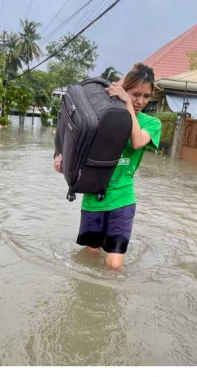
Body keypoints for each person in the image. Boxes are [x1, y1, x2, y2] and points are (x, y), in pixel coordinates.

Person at [54, 63, 161, 270]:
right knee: (89, 256)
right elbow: (77, 140)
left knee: (114, 264)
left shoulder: (152, 123)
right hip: (94, 198)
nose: (140, 101)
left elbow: (138, 141)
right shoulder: (104, 116)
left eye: (146, 96)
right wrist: (60, 158)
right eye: (134, 94)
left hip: (123, 199)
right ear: (125, 90)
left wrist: (127, 105)